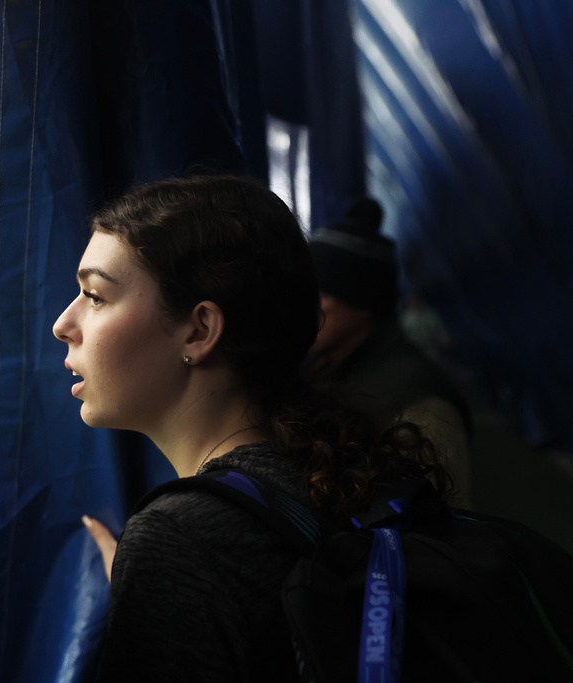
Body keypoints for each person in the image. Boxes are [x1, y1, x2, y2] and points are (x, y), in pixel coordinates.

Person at [52, 175, 452, 681]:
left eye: (95, 296)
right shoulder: (346, 472)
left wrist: (163, 576)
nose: (63, 324)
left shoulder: (181, 537)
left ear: (199, 331)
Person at [306, 198, 473, 507]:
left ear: (362, 301)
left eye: (321, 293)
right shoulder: (317, 363)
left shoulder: (421, 408)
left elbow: (438, 533)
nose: (302, 307)